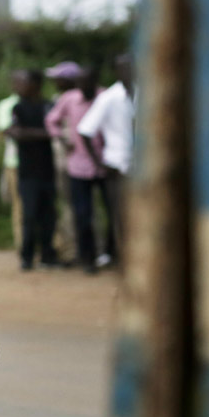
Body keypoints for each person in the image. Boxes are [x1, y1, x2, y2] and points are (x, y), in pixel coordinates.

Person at [45, 66, 114, 274]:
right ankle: (87, 257)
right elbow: (51, 121)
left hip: (108, 165)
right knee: (83, 214)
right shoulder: (69, 99)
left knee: (114, 213)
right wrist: (63, 139)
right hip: (78, 166)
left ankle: (112, 254)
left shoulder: (107, 97)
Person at [77, 53, 135, 265]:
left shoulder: (148, 92)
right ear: (116, 71)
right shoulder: (109, 98)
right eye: (123, 67)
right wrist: (99, 162)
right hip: (117, 165)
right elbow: (85, 130)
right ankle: (123, 259)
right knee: (120, 215)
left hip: (142, 166)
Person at [5, 69, 57, 270]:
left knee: (48, 216)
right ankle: (27, 257)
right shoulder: (18, 107)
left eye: (21, 83)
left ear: (35, 85)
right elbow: (16, 133)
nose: (16, 87)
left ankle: (48, 255)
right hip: (27, 172)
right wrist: (43, 134)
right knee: (29, 214)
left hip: (47, 170)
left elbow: (52, 133)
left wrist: (30, 133)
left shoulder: (48, 106)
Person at [44, 61, 82, 266]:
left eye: (58, 78)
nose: (54, 81)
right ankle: (75, 248)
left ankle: (74, 250)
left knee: (72, 205)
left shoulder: (70, 98)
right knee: (74, 205)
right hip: (68, 160)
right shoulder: (60, 99)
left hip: (70, 161)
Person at [0, 82, 21, 247]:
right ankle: (23, 247)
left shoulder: (43, 103)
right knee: (19, 207)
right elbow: (7, 130)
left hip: (42, 164)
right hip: (14, 163)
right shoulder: (7, 105)